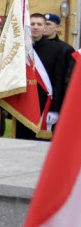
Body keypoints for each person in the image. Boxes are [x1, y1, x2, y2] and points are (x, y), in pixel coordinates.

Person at [20, 12, 66, 140]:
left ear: (45, 27)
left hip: (45, 104)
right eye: (32, 24)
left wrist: (55, 109)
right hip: (23, 104)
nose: (35, 27)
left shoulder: (56, 50)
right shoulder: (19, 48)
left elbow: (58, 81)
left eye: (39, 24)